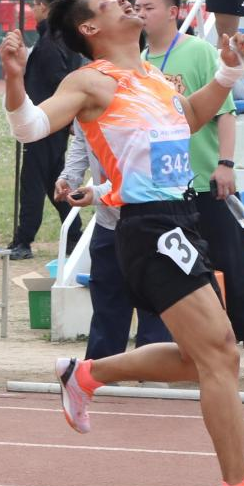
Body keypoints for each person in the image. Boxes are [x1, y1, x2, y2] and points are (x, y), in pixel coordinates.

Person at [1, 0, 244, 486]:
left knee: (203, 358)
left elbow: (190, 117)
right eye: (108, 0)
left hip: (183, 218)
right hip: (149, 228)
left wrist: (229, 74)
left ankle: (85, 375)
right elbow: (30, 128)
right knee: (220, 355)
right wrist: (14, 79)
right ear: (90, 28)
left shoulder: (153, 77)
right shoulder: (89, 81)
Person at [136, 0, 244, 381]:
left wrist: (225, 163)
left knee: (233, 262)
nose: (140, 14)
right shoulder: (140, 62)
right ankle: (198, 350)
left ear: (173, 12)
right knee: (185, 273)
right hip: (167, 189)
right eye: (137, 8)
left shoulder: (198, 52)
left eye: (148, 7)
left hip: (209, 181)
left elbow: (225, 112)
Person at [55, 122, 172, 359]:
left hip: (150, 219)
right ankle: (101, 368)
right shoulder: (84, 106)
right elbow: (81, 142)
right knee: (107, 305)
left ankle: (152, 369)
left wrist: (96, 193)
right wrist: (69, 178)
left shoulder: (137, 109)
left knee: (154, 303)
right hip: (108, 222)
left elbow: (139, 169)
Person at [9, 0, 84, 260]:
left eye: (34, 5)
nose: (32, 10)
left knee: (32, 183)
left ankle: (24, 241)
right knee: (55, 179)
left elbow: (59, 83)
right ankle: (74, 234)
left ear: (43, 7)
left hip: (45, 122)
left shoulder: (51, 42)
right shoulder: (64, 39)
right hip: (53, 122)